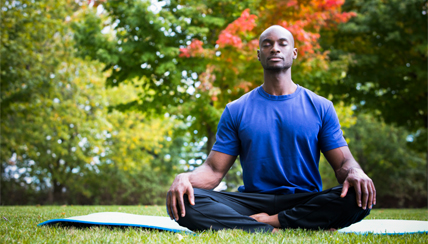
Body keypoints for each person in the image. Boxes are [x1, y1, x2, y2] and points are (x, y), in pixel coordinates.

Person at [166, 25, 376, 233]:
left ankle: (271, 222)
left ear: (294, 53)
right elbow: (213, 171)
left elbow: (342, 164)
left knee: (358, 194)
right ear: (259, 55)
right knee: (184, 199)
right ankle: (285, 226)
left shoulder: (321, 107)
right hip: (252, 201)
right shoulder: (236, 109)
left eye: (282, 44)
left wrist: (355, 172)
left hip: (304, 199)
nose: (275, 49)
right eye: (267, 45)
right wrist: (186, 178)